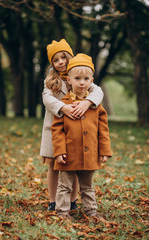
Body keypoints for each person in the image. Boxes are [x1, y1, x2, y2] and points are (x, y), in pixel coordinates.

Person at [40, 39, 104, 211]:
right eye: (55, 60)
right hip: (55, 126)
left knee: (74, 163)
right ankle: (54, 200)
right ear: (52, 64)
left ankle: (72, 200)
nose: (60, 62)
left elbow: (98, 91)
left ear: (70, 56)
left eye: (63, 57)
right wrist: (63, 107)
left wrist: (87, 102)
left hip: (75, 129)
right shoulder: (51, 80)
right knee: (54, 165)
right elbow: (47, 98)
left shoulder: (79, 73)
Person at [51, 53, 112, 219]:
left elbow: (103, 130)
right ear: (69, 80)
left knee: (87, 186)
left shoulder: (95, 106)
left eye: (86, 78)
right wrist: (58, 151)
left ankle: (91, 211)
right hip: (68, 154)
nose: (82, 82)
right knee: (64, 185)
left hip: (89, 153)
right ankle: (62, 213)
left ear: (91, 81)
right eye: (77, 78)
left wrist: (104, 150)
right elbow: (57, 130)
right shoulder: (63, 105)